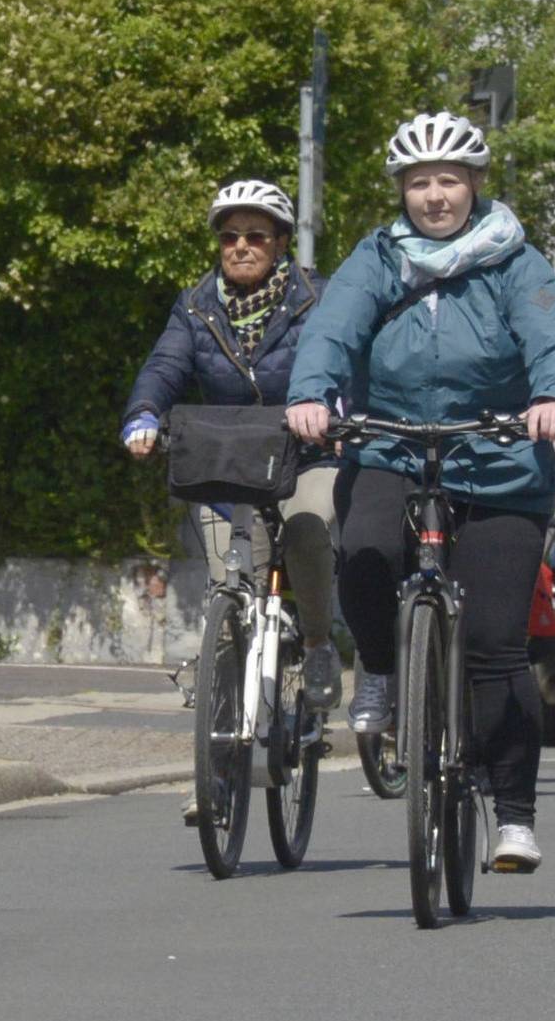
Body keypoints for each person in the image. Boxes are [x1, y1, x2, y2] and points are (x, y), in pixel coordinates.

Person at [285, 112, 555, 873]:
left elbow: (552, 334)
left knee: (493, 644)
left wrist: (551, 395)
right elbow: (333, 326)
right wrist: (312, 391)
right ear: (402, 192)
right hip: (391, 442)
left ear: (475, 184)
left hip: (497, 459)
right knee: (360, 550)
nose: (434, 195)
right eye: (419, 183)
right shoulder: (378, 255)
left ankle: (513, 815)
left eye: (448, 179)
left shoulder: (515, 259)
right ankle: (382, 668)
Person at [122, 180, 342, 713]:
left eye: (256, 236)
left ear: (282, 243)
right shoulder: (196, 306)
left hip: (307, 455)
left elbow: (343, 355)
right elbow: (166, 365)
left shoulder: (321, 298)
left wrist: (340, 409)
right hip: (230, 460)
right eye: (229, 237)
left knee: (308, 528)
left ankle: (316, 644)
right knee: (230, 587)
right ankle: (217, 770)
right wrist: (144, 413)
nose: (240, 246)